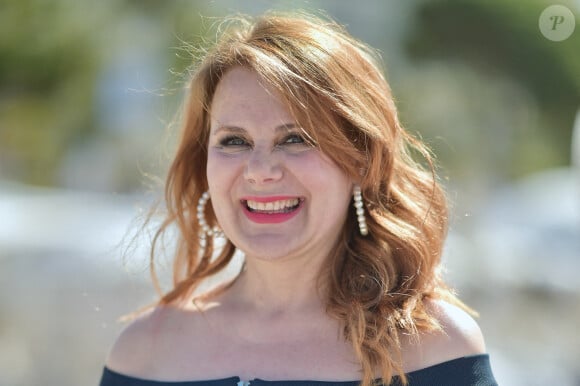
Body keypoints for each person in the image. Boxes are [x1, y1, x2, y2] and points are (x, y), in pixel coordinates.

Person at [100, 11, 497, 386]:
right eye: (234, 141)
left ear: (361, 162)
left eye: (295, 139)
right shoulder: (143, 355)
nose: (260, 169)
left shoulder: (434, 349)